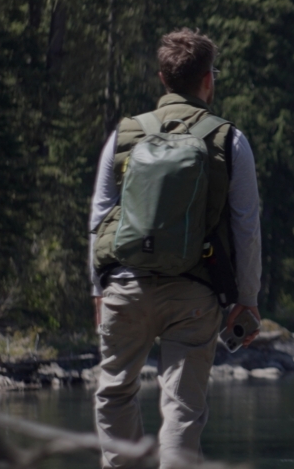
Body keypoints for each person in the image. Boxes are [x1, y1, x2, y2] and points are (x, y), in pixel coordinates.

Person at [88, 29, 263, 468]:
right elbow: (246, 227)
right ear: (208, 80)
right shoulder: (229, 140)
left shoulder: (124, 135)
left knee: (115, 393)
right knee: (182, 410)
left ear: (163, 78)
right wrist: (246, 299)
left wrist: (98, 287)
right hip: (194, 292)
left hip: (124, 286)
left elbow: (100, 217)